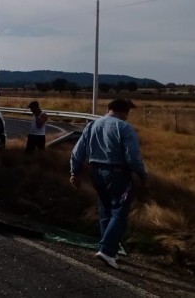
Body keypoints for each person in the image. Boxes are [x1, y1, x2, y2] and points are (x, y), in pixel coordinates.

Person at [69, 99, 148, 269]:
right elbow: (132, 156)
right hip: (118, 174)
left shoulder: (92, 126)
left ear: (108, 109)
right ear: (125, 112)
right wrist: (142, 174)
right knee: (119, 212)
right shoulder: (125, 128)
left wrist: (74, 172)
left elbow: (77, 151)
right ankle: (107, 250)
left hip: (96, 172)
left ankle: (106, 248)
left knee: (105, 211)